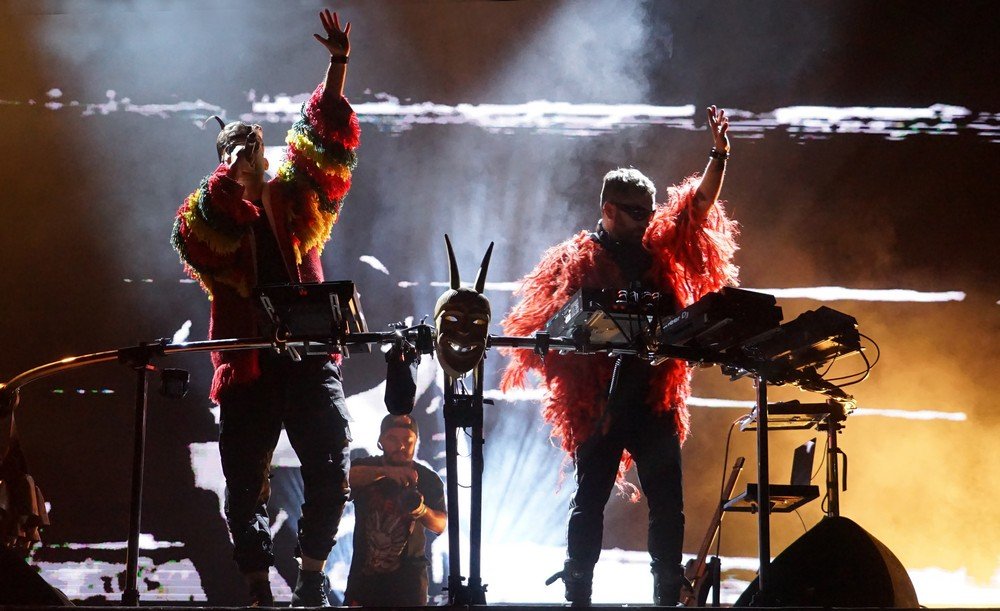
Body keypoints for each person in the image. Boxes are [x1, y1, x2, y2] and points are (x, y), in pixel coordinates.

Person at [500, 107, 739, 606]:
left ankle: (666, 595)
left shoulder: (657, 248)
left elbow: (695, 209)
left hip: (652, 399)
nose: (645, 221)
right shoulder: (576, 259)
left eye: (649, 212)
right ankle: (579, 595)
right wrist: (570, 341)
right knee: (588, 501)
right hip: (600, 405)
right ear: (608, 209)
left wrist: (718, 155)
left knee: (667, 504)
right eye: (635, 213)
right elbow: (543, 329)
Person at [170, 10, 359, 607]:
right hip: (249, 363)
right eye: (237, 150)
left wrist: (337, 66)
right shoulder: (210, 215)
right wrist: (230, 178)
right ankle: (256, 581)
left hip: (308, 355)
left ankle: (311, 572)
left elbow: (326, 141)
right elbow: (198, 240)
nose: (250, 155)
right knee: (244, 483)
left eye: (253, 147)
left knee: (331, 464)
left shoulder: (294, 198)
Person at [345, 414, 447, 606]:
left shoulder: (428, 479)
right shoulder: (365, 468)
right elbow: (343, 480)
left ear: (416, 442)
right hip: (364, 582)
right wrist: (385, 472)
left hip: (409, 586)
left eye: (407, 440)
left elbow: (440, 524)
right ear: (381, 441)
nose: (401, 446)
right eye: (392, 439)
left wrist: (421, 510)